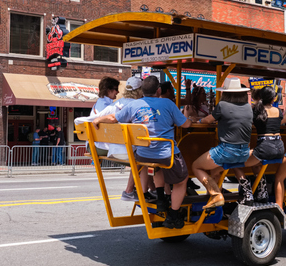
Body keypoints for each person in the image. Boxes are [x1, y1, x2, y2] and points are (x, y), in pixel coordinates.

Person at [94, 76, 192, 229]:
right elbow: (186, 124)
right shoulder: (167, 103)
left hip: (143, 154)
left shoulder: (134, 105)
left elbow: (114, 118)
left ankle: (161, 199)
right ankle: (173, 215)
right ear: (158, 90)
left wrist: (98, 119)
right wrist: (188, 115)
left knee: (157, 166)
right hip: (165, 153)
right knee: (182, 181)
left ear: (143, 91)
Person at [191, 79, 252, 209]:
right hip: (244, 152)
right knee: (214, 170)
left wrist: (198, 120)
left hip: (226, 151)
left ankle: (216, 194)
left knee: (196, 166)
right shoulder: (248, 107)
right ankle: (215, 198)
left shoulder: (223, 105)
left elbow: (207, 120)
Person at [237, 86, 285, 204]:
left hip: (265, 148)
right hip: (279, 147)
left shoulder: (256, 110)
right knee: (256, 164)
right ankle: (262, 192)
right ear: (273, 99)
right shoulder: (279, 111)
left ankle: (248, 193)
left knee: (235, 162)